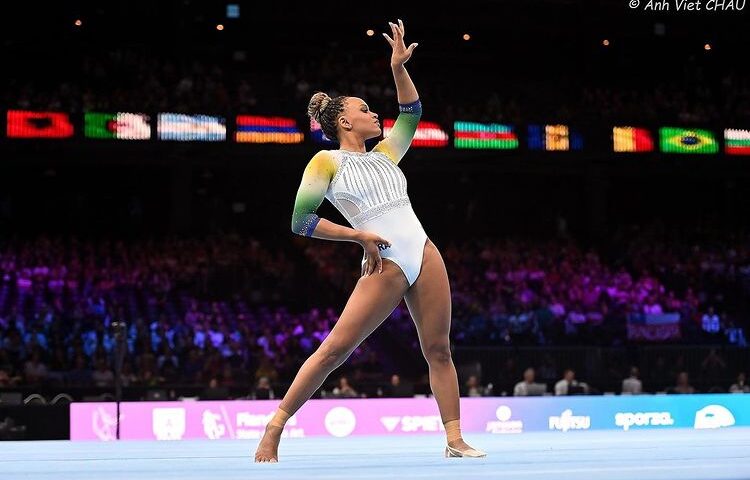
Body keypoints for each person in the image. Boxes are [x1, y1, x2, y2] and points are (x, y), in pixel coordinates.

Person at [254, 19, 485, 462]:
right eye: (364, 109)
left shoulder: (386, 155)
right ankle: (275, 426)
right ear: (344, 120)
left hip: (424, 251)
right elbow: (302, 221)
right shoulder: (326, 161)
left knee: (439, 349)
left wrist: (398, 67)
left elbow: (412, 113)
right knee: (335, 350)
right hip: (386, 260)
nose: (374, 114)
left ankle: (455, 440)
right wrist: (358, 236)